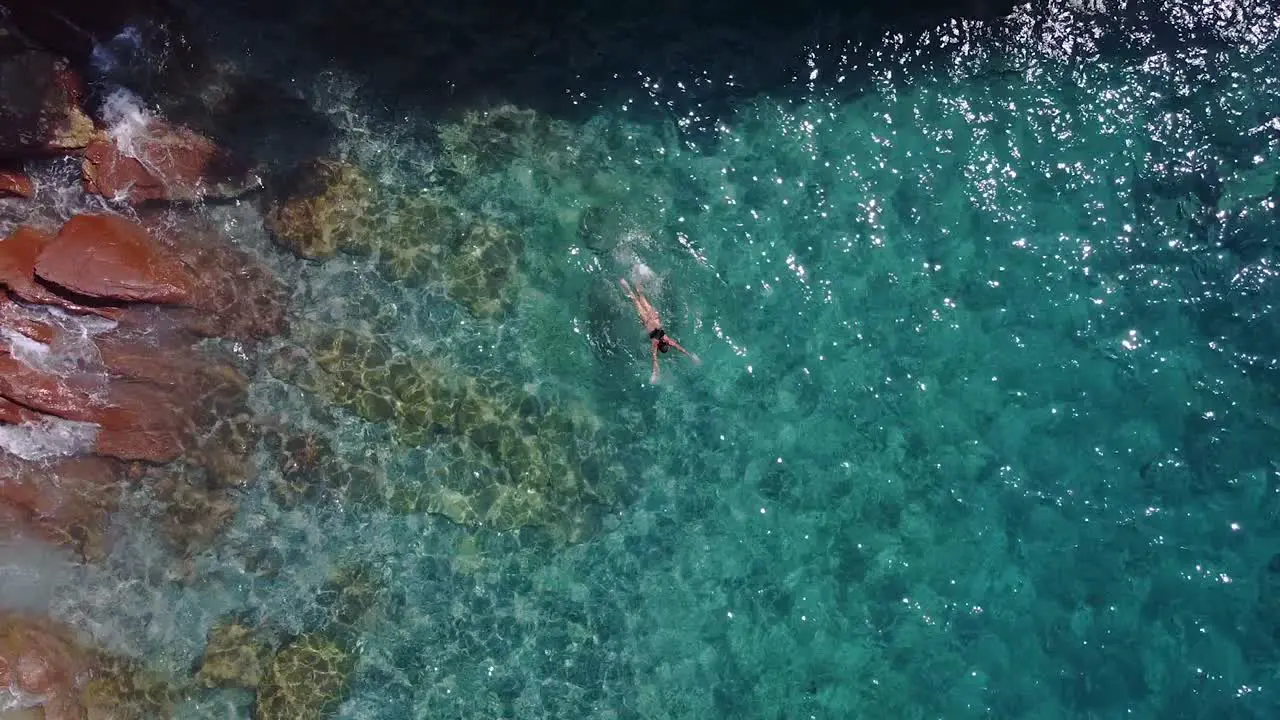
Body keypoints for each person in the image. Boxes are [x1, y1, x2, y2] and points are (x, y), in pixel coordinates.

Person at [620, 277, 699, 384]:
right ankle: (626, 284)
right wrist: (655, 373)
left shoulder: (666, 339)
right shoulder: (655, 344)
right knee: (635, 300)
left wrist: (691, 356)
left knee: (642, 297)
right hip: (646, 320)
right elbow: (655, 361)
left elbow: (680, 349)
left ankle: (637, 279)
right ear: (660, 348)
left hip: (653, 316)